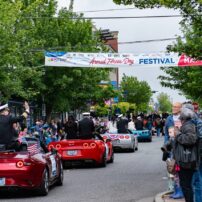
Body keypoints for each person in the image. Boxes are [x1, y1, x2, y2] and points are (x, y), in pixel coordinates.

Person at [173, 108, 198, 202]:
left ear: (184, 116)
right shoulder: (188, 125)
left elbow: (190, 140)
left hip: (187, 160)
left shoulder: (188, 126)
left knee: (186, 186)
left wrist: (178, 135)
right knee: (186, 185)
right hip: (186, 159)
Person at [164, 102, 184, 199]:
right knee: (173, 170)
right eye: (173, 106)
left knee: (179, 170)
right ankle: (176, 190)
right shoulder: (169, 118)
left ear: (180, 108)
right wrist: (166, 147)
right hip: (172, 147)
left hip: (181, 148)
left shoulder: (184, 118)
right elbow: (166, 134)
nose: (174, 108)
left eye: (176, 107)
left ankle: (180, 191)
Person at [183, 103, 202, 202]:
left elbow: (196, 138)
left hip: (197, 155)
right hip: (198, 154)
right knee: (197, 180)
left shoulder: (194, 121)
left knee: (196, 181)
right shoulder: (197, 119)